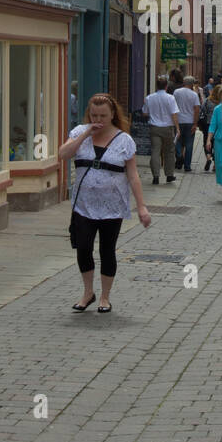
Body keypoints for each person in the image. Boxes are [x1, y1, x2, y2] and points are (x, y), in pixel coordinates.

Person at [59, 93, 151, 314]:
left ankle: (105, 297)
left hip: (112, 206)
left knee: (107, 250)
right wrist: (85, 135)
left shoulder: (124, 140)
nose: (98, 120)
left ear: (112, 115)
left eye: (102, 116)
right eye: (93, 115)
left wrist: (141, 206)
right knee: (83, 248)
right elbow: (63, 154)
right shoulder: (79, 133)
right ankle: (87, 292)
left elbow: (133, 176)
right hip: (83, 205)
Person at [142, 75, 180, 184]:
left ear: (156, 86)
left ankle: (156, 176)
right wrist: (177, 128)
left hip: (154, 128)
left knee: (155, 151)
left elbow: (144, 113)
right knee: (169, 151)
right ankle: (169, 175)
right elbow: (174, 114)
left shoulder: (149, 98)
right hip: (167, 128)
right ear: (166, 86)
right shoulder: (170, 98)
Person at [173, 75, 201, 173]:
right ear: (192, 84)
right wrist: (195, 123)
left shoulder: (176, 92)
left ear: (184, 82)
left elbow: (173, 106)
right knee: (189, 145)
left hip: (178, 121)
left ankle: (179, 155)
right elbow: (197, 109)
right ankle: (187, 166)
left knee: (178, 141)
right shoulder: (194, 95)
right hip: (189, 122)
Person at [200, 83, 220, 171]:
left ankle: (208, 158)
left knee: (207, 142)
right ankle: (216, 165)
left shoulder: (208, 100)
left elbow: (202, 110)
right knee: (217, 144)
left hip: (208, 124)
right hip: (219, 125)